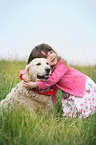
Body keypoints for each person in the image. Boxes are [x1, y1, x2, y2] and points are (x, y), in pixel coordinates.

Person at [20, 43, 96, 118]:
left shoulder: (61, 65)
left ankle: (85, 121)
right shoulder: (49, 69)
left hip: (82, 85)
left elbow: (52, 80)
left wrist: (35, 85)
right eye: (46, 56)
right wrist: (24, 75)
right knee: (71, 111)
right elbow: (53, 91)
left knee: (82, 108)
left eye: (51, 52)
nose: (51, 56)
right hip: (71, 89)